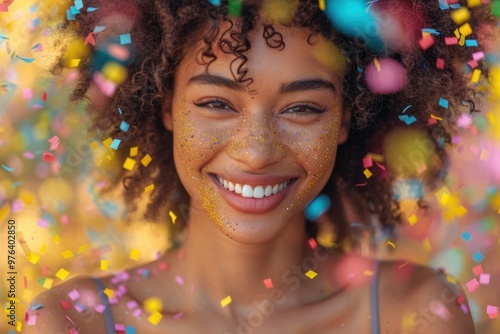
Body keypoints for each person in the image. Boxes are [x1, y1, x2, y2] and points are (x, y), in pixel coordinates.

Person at [24, 0, 496, 333]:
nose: (256, 152)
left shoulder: (416, 313)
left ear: (347, 119)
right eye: (215, 102)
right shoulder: (70, 320)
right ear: (167, 106)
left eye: (302, 108)